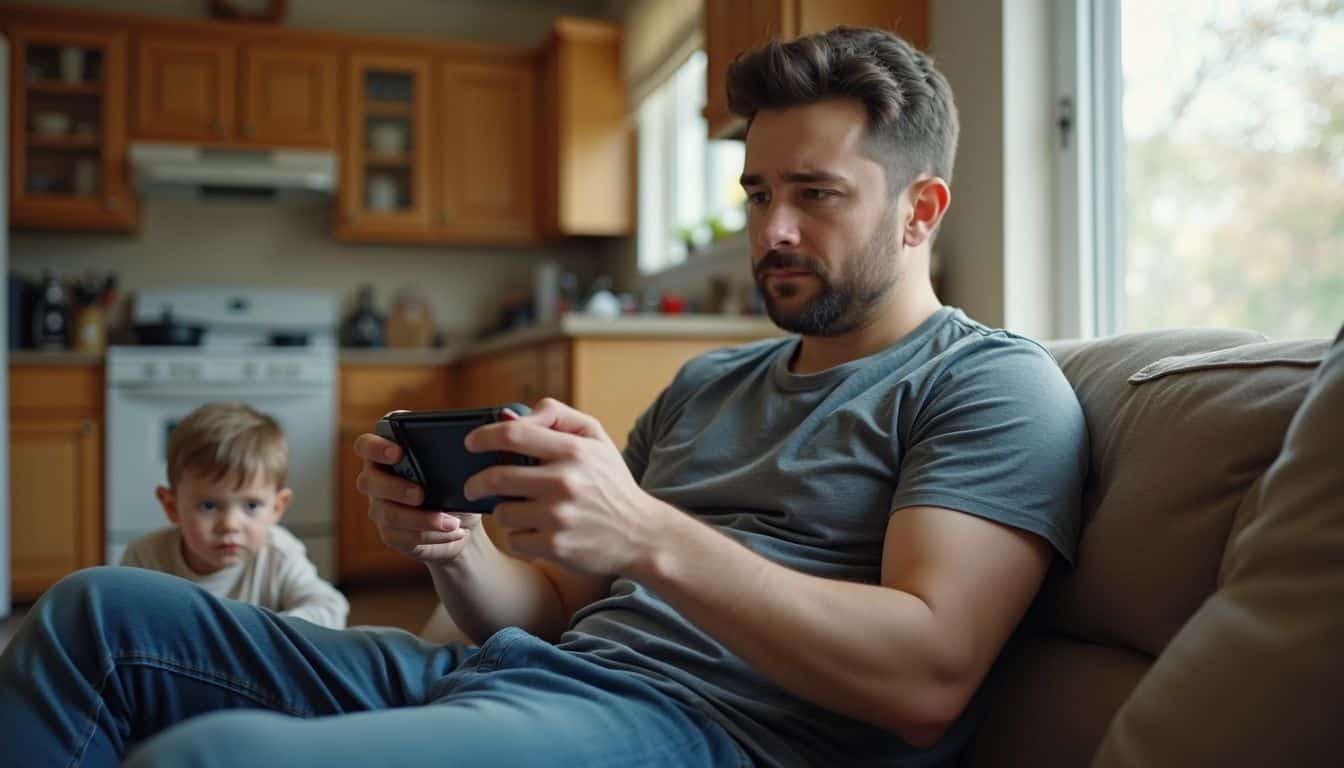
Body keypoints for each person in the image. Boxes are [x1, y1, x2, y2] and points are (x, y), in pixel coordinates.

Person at [0, 26, 1086, 767]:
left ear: (920, 208)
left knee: (214, 757)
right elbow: (546, 612)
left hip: (697, 731)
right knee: (95, 612)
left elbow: (929, 675)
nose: (772, 233)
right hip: (527, 676)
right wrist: (454, 547)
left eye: (816, 196)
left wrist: (648, 534)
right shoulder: (708, 382)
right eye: (758, 194)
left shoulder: (989, 385)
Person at [119, 402, 348, 630]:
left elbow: (330, 607)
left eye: (251, 505)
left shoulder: (279, 555)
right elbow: (121, 624)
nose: (230, 525)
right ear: (172, 506)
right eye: (208, 506)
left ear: (277, 507)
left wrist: (271, 631)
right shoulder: (145, 559)